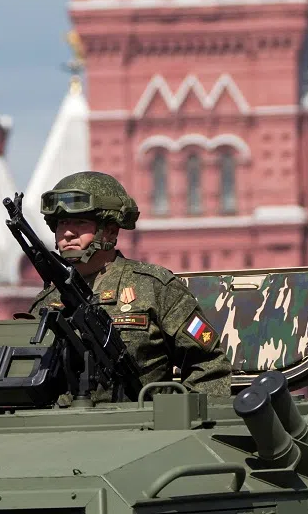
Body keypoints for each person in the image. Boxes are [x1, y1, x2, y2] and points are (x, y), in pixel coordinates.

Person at [28, 170, 233, 399]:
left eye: (80, 222)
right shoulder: (48, 302)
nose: (67, 233)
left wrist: (177, 418)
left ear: (110, 230)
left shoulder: (155, 287)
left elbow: (210, 364)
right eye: (61, 223)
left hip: (143, 426)